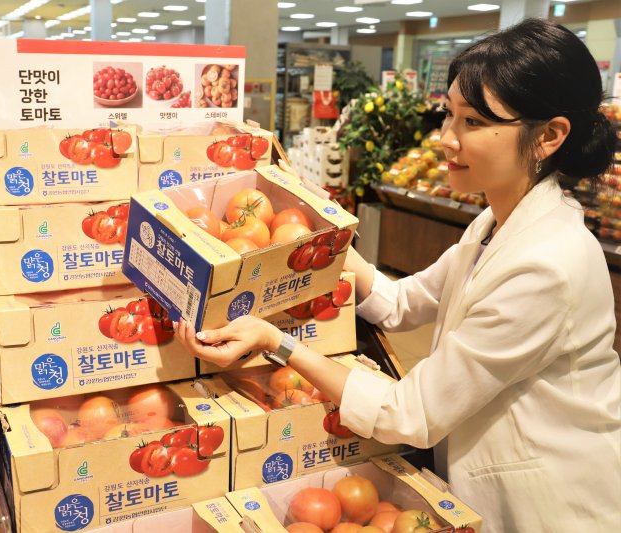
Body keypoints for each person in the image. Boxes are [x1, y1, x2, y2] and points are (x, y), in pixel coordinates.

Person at [176, 18, 621, 532]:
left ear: (549, 135)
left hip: (550, 503)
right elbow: (403, 302)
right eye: (448, 115)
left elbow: (409, 413)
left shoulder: (547, 265)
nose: (444, 140)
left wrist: (277, 341)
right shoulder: (497, 222)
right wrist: (322, 238)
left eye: (473, 122)